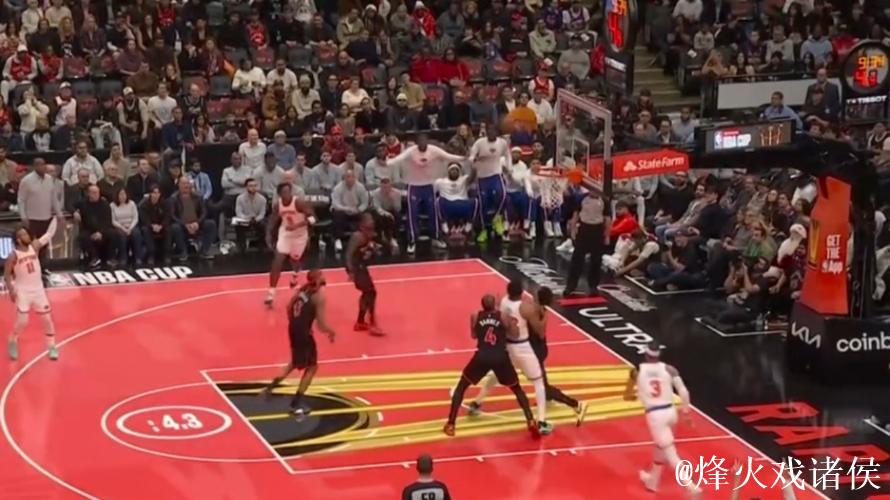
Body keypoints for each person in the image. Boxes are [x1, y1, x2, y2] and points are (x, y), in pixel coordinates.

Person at [444, 293, 539, 438]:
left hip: (482, 357)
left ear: (482, 305)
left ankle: (451, 424)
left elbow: (474, 336)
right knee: (516, 388)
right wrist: (511, 324)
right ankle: (530, 420)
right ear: (494, 304)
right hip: (500, 357)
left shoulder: (475, 316)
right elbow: (515, 335)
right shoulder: (503, 316)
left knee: (462, 387)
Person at [469, 280, 552, 435]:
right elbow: (540, 333)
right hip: (522, 347)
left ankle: (477, 402)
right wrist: (545, 315)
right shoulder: (526, 308)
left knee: (495, 375)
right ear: (521, 292)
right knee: (538, 382)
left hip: (506, 346)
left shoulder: (503, 302)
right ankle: (541, 421)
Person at [623, 342, 699, 496]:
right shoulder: (670, 369)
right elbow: (684, 392)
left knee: (670, 453)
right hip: (671, 412)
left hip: (656, 416)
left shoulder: (637, 371)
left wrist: (636, 395)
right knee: (660, 448)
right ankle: (652, 482)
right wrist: (686, 412)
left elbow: (627, 395)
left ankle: (690, 486)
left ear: (646, 354)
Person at [259, 269, 336, 418]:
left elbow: (289, 307)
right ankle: (296, 403)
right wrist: (331, 331)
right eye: (322, 275)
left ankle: (269, 388)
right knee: (312, 367)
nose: (324, 277)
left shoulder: (303, 289)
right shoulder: (319, 296)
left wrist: (296, 322)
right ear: (318, 279)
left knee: (294, 363)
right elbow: (321, 325)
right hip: (303, 333)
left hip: (293, 329)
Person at [388, 133, 465, 254]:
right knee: (412, 213)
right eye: (420, 141)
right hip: (414, 186)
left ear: (427, 141)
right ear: (417, 142)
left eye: (424, 140)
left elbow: (447, 156)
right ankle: (412, 241)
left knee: (433, 212)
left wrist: (463, 158)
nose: (422, 143)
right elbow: (399, 159)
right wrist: (387, 162)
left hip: (428, 186)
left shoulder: (433, 150)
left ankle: (436, 237)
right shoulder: (411, 151)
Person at [4, 215, 61, 361]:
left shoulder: (34, 246)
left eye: (26, 233)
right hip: (22, 291)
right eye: (23, 235)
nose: (27, 236)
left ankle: (51, 346)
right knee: (23, 321)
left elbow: (49, 234)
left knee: (47, 319)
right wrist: (11, 289)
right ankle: (13, 340)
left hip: (38, 290)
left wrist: (55, 218)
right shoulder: (13, 255)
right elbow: (7, 275)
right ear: (18, 239)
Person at [529, 287, 588, 423]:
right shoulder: (538, 310)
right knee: (541, 381)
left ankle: (576, 404)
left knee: (543, 386)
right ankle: (548, 399)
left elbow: (540, 333)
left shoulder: (538, 312)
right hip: (537, 349)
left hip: (536, 351)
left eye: (536, 294)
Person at [264, 183, 314, 306]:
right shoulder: (278, 205)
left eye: (289, 191)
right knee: (278, 259)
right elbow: (273, 220)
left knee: (295, 260)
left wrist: (296, 226)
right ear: (280, 194)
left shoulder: (299, 203)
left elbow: (313, 219)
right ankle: (271, 293)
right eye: (284, 192)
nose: (287, 194)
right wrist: (268, 234)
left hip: (300, 235)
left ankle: (295, 276)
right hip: (285, 233)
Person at [564, 189, 611, 296]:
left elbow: (607, 219)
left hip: (597, 230)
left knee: (596, 260)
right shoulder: (581, 198)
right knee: (577, 259)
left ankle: (593, 286)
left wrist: (607, 235)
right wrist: (573, 230)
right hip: (584, 229)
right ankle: (571, 285)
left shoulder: (604, 200)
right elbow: (575, 215)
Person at [469, 124, 511, 243]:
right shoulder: (479, 143)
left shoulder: (502, 143)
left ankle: (497, 218)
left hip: (496, 174)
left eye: (493, 131)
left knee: (503, 196)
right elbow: (471, 157)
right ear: (486, 132)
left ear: (497, 132)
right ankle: (484, 230)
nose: (491, 133)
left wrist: (509, 168)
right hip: (482, 177)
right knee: (483, 204)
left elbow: (508, 155)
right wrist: (474, 160)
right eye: (489, 131)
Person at [345, 213, 383, 335]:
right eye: (369, 221)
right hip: (357, 269)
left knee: (369, 292)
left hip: (362, 267)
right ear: (362, 225)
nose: (371, 223)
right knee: (370, 292)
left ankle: (362, 321)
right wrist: (350, 271)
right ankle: (370, 321)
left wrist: (373, 249)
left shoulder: (369, 235)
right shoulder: (357, 236)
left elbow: (367, 254)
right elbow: (348, 255)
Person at [434, 163, 478, 242]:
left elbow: (472, 177)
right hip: (448, 206)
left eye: (456, 170)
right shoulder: (440, 182)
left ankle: (468, 226)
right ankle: (445, 227)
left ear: (459, 172)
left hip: (463, 205)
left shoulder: (464, 179)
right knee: (438, 201)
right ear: (448, 171)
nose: (454, 171)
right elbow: (433, 193)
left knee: (475, 201)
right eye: (452, 170)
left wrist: (473, 166)